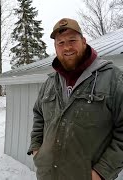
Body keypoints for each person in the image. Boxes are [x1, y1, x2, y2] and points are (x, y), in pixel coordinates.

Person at [27, 18, 123, 180]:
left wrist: (101, 172)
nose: (67, 47)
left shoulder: (113, 78)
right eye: (61, 42)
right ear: (55, 47)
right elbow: (39, 116)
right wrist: (37, 149)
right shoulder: (50, 82)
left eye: (72, 40)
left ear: (84, 41)